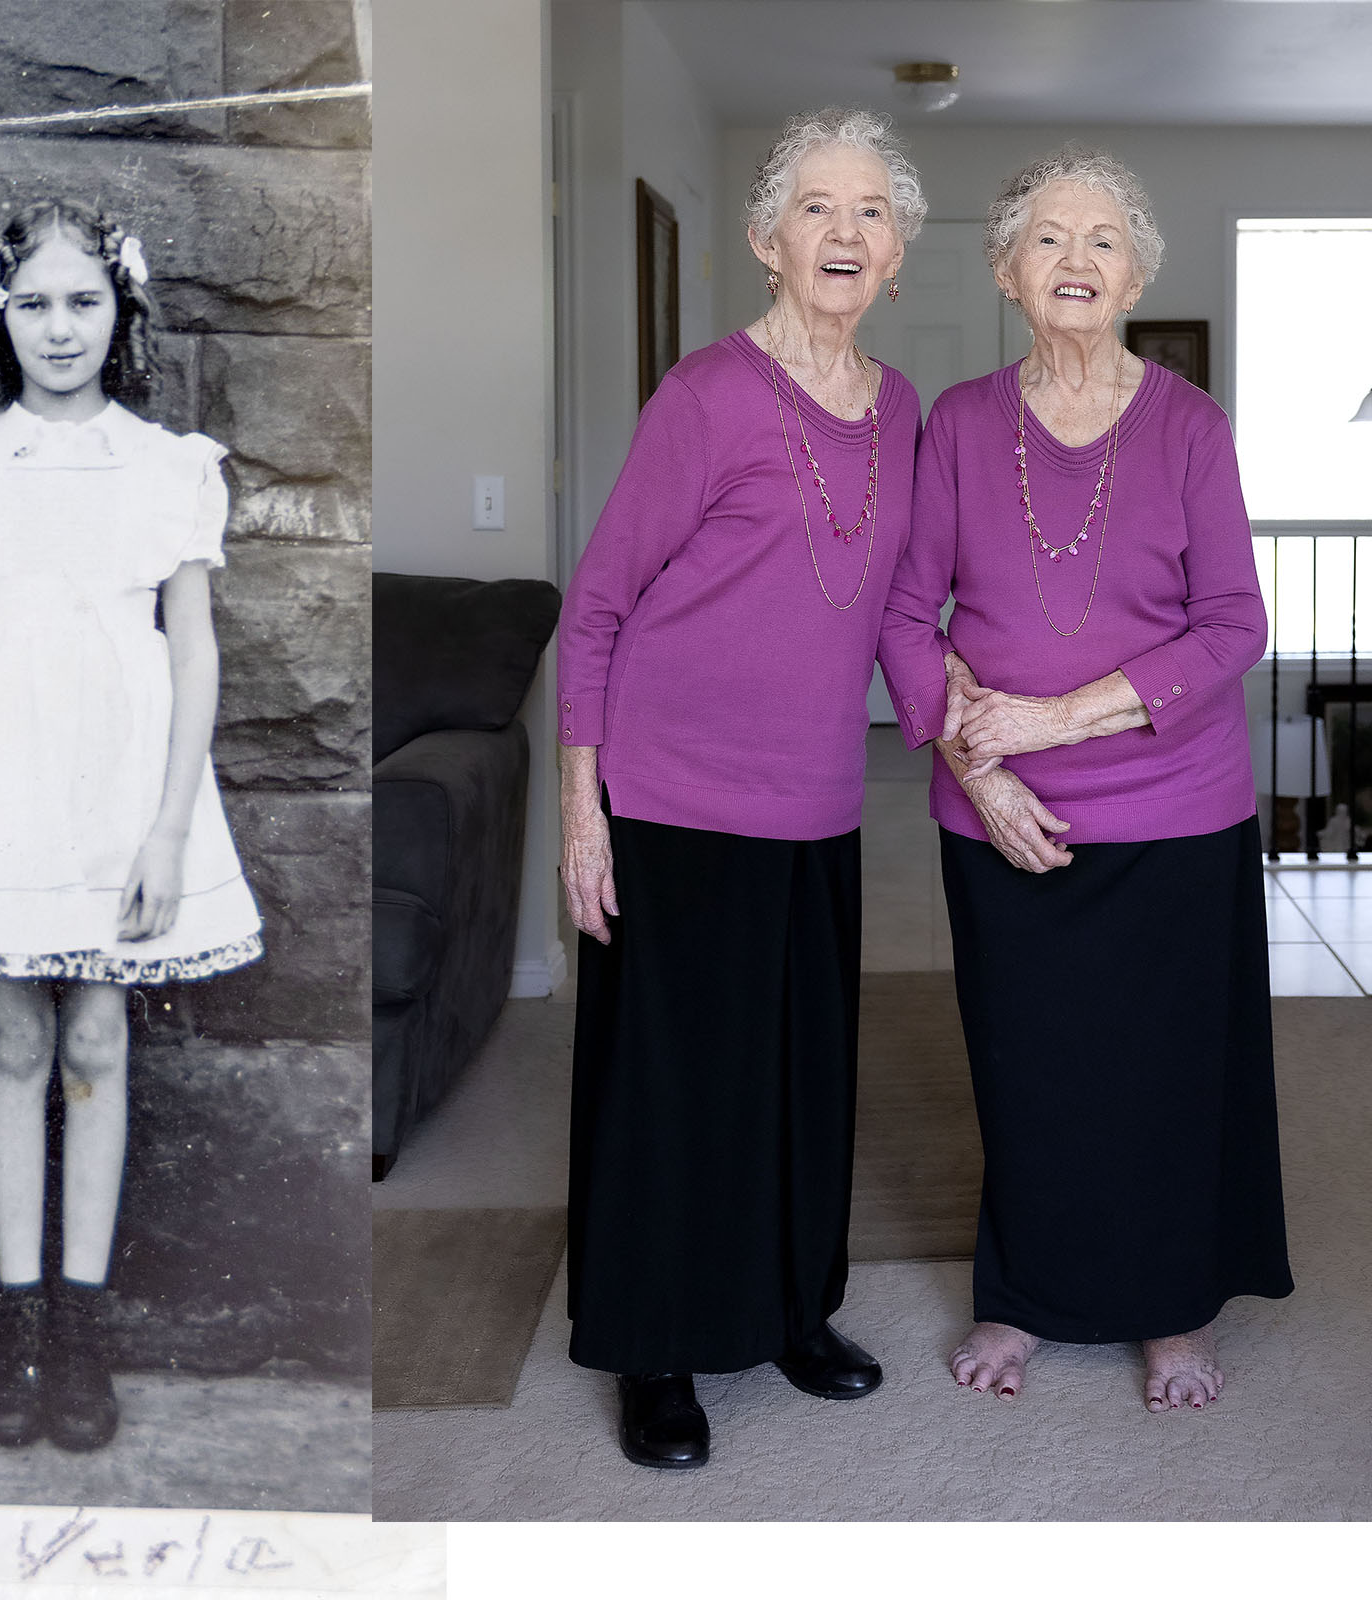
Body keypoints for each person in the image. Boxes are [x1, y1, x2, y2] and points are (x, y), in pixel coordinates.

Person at [878, 146, 1294, 1412]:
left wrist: (1052, 718)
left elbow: (1231, 625)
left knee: (1165, 1071)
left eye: (1100, 239)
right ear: (1006, 271)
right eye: (1045, 238)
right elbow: (904, 614)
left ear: (1135, 272)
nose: (1073, 260)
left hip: (1176, 812)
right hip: (997, 812)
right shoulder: (956, 423)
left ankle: (1170, 1311)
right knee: (1025, 1063)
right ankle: (1022, 1295)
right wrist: (978, 765)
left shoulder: (1187, 426)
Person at [557, 108, 925, 1469]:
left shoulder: (901, 410)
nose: (846, 231)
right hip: (675, 798)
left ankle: (790, 1312)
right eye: (818, 208)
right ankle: (654, 1349)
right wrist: (580, 809)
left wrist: (972, 740)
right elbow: (596, 611)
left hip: (821, 800)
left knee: (797, 1079)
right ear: (768, 239)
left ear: (897, 254)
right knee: (673, 1092)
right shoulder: (704, 396)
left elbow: (896, 616)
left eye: (872, 211)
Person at [0, 199, 263, 1452]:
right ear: (0, 310)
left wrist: (167, 827)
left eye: (84, 302)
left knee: (97, 1027)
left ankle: (84, 1318)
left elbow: (194, 654)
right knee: (10, 1030)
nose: (60, 328)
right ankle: (15, 1321)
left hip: (119, 778)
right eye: (36, 302)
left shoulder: (167, 470)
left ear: (122, 312)